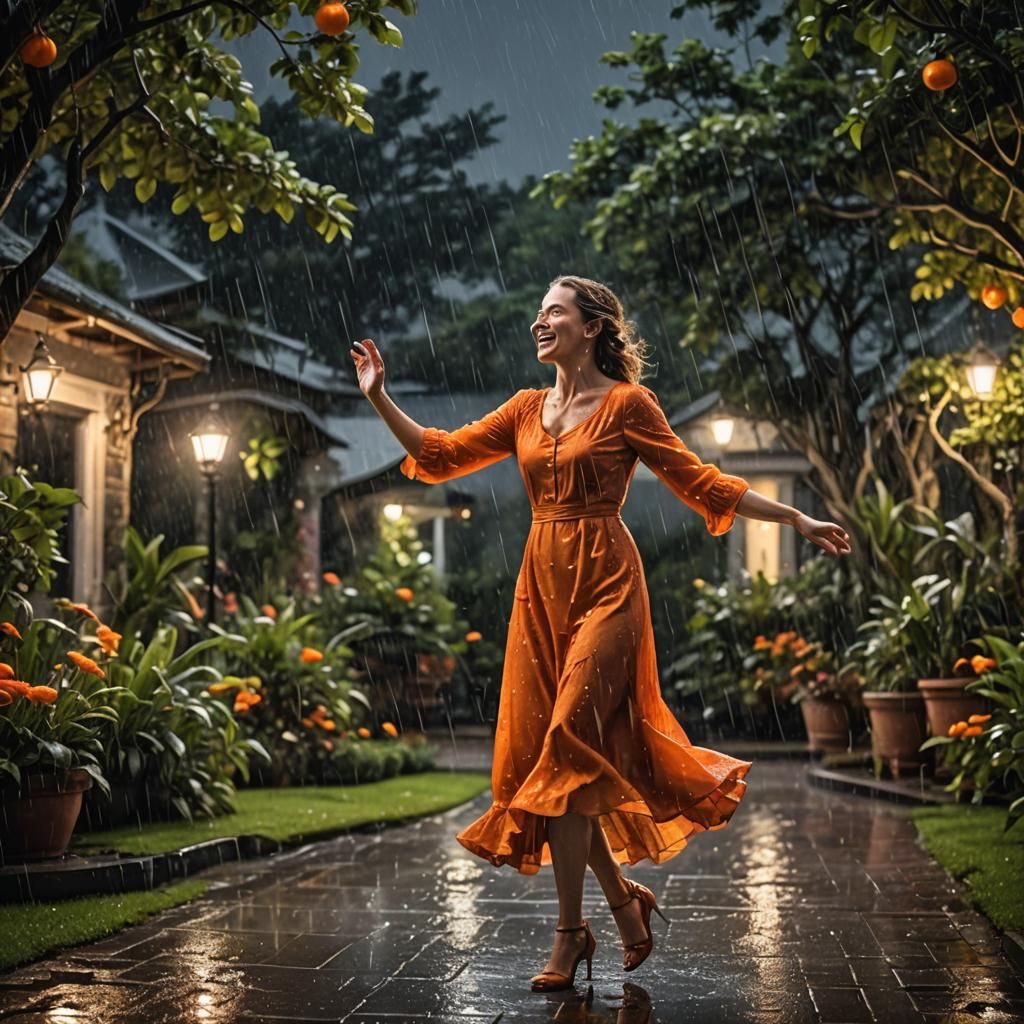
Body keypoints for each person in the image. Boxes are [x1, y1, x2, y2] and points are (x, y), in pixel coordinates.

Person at [349, 275, 852, 991]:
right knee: (555, 766)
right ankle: (623, 902)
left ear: (592, 326)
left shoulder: (627, 405)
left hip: (609, 587)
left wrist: (795, 519)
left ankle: (569, 935)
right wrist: (378, 396)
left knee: (566, 745)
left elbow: (701, 481)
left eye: (552, 311)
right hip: (541, 594)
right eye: (538, 311)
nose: (538, 322)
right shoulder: (526, 408)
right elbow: (440, 454)